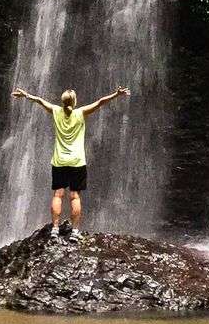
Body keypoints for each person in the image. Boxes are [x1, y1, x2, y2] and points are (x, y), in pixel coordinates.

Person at [11, 85, 131, 239]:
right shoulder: (80, 113)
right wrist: (116, 94)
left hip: (59, 161)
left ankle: (55, 229)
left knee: (58, 195)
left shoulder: (55, 111)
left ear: (62, 101)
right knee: (74, 196)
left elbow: (40, 101)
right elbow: (100, 102)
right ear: (74, 102)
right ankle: (75, 232)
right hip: (77, 162)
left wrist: (26, 95)